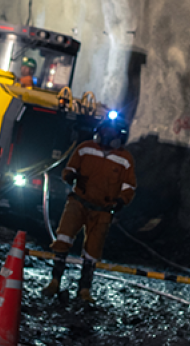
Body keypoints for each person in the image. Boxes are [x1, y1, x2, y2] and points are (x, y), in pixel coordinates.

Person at [41, 113, 137, 302]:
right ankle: (54, 281)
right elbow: (70, 168)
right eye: (105, 131)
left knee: (93, 250)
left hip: (102, 210)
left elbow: (129, 185)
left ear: (120, 136)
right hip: (78, 202)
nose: (108, 136)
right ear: (98, 132)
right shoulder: (85, 149)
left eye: (112, 132)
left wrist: (121, 201)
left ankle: (84, 290)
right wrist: (69, 176)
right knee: (63, 238)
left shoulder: (125, 159)